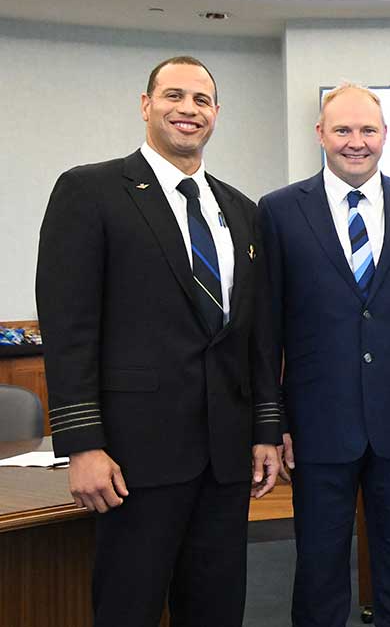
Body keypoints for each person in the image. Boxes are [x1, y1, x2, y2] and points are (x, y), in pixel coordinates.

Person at [35, 55, 282, 626]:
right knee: (129, 608)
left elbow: (255, 337)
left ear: (216, 114)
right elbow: (69, 329)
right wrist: (81, 445)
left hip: (224, 458)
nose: (187, 110)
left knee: (217, 610)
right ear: (146, 106)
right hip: (132, 458)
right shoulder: (89, 191)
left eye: (201, 100)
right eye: (174, 96)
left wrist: (266, 431)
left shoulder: (242, 212)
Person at [257, 83, 390, 627]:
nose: (356, 142)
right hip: (315, 425)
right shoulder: (279, 211)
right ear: (320, 134)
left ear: (385, 136)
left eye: (367, 130)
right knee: (319, 566)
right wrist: (272, 419)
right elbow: (266, 330)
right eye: (343, 130)